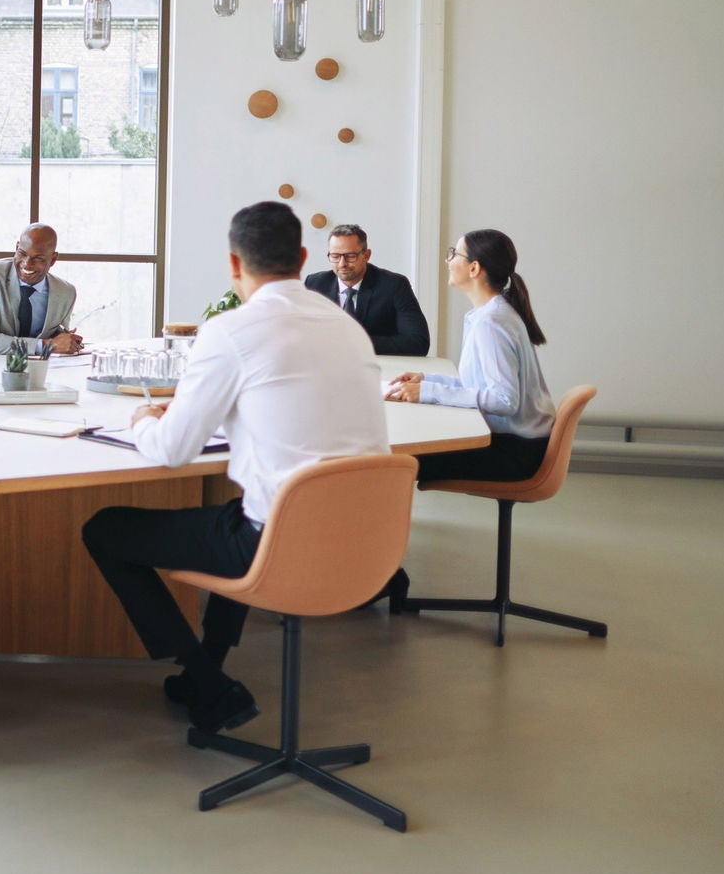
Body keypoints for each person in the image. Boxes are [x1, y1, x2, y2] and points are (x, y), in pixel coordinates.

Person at [79, 202, 390, 733]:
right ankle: (209, 671)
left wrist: (141, 419)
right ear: (302, 257)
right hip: (368, 540)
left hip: (278, 542)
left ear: (232, 263)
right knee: (234, 510)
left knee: (105, 529)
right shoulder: (347, 328)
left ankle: (208, 680)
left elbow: (172, 450)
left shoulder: (231, 332)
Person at [385, 229, 555, 481]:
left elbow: (504, 400)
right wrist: (427, 382)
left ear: (474, 268)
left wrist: (429, 393)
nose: (448, 260)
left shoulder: (491, 322)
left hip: (515, 451)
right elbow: (479, 384)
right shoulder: (490, 314)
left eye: (454, 253)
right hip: (517, 443)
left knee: (393, 460)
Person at [0, 222, 85, 357]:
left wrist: (65, 339)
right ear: (16, 247)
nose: (27, 263)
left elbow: (54, 336)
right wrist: (47, 345)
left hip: (26, 371)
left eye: (38, 258)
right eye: (22, 253)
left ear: (53, 259)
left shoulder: (66, 293)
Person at [305, 223, 431, 355]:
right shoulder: (314, 285)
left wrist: (356, 343)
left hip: (379, 368)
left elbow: (418, 342)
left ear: (366, 255)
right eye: (335, 256)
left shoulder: (394, 286)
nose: (342, 264)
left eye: (350, 256)